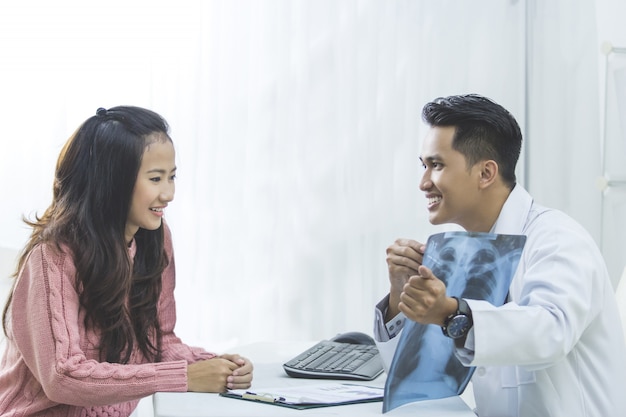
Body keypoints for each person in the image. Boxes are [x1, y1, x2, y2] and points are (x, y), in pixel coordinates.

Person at [374, 94, 626, 417]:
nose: (423, 182)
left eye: (436, 165)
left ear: (485, 174)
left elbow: (550, 330)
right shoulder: (464, 254)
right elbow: (420, 380)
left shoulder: (558, 240)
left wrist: (453, 314)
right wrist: (400, 294)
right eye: (423, 166)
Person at [0, 106, 253, 416]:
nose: (169, 193)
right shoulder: (53, 257)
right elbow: (62, 377)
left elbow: (157, 341)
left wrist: (215, 366)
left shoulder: (154, 240)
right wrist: (182, 377)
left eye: (171, 177)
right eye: (156, 178)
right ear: (113, 182)